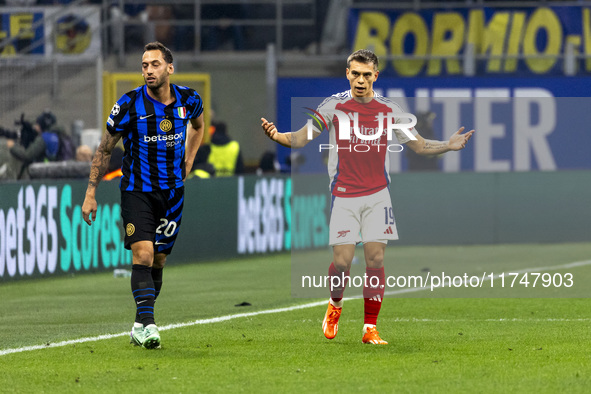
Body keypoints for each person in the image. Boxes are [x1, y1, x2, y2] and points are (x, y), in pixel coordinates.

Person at [261, 49, 474, 345]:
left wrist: (448, 146)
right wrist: (278, 136)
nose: (360, 80)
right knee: (343, 262)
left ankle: (369, 328)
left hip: (378, 194)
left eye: (366, 74)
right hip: (344, 195)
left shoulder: (390, 110)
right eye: (355, 73)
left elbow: (419, 146)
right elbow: (301, 137)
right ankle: (335, 305)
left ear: (376, 75)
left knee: (375, 259)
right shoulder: (333, 106)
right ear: (347, 73)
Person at [81, 41, 205, 350]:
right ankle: (149, 325)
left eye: (154, 64)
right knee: (144, 255)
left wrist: (189, 160)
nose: (148, 70)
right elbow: (104, 149)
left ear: (169, 68)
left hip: (173, 194)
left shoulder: (189, 100)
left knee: (159, 260)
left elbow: (199, 127)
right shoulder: (127, 105)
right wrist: (91, 192)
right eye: (144, 65)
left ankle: (139, 323)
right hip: (137, 191)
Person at [7, 110, 60, 179]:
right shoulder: (54, 136)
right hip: (50, 171)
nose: (35, 126)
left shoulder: (44, 138)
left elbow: (28, 155)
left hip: (43, 173)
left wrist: (12, 147)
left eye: (37, 124)